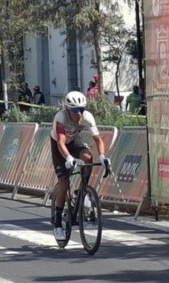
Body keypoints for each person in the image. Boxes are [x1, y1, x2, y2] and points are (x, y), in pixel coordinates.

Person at [50, 91, 110, 241]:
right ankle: (57, 222)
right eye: (75, 110)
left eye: (81, 109)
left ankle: (82, 192)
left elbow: (98, 139)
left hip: (73, 141)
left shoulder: (87, 117)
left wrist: (102, 156)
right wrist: (69, 158)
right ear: (68, 109)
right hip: (59, 146)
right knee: (64, 185)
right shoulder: (61, 118)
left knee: (88, 157)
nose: (79, 113)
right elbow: (61, 142)